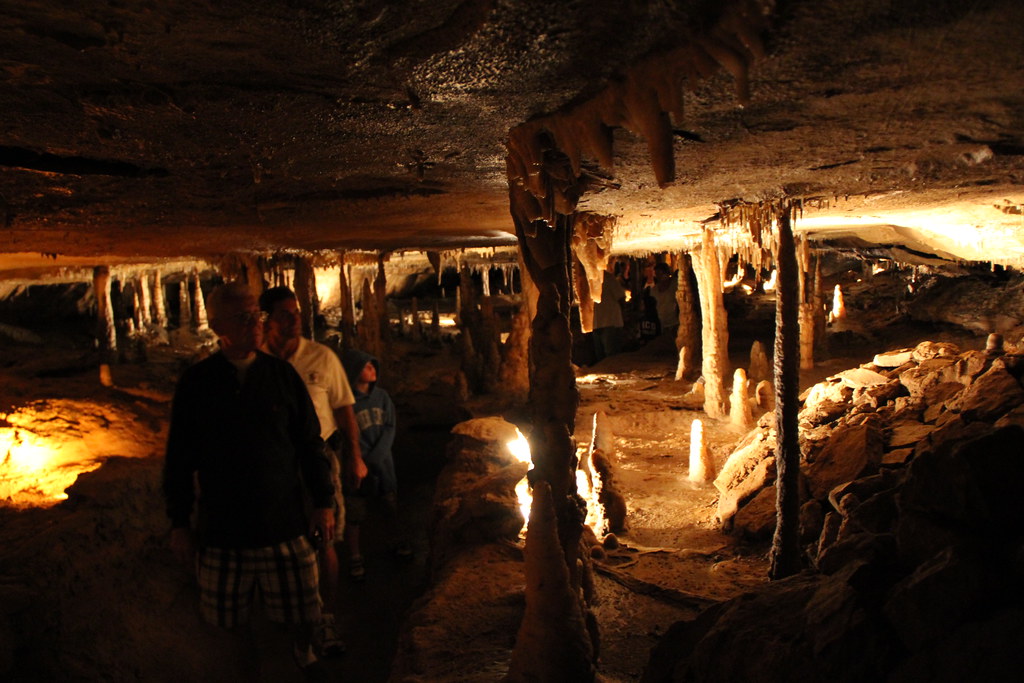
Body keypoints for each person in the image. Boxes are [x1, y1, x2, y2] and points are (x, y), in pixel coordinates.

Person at [162, 281, 334, 677]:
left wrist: (322, 502)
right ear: (216, 324)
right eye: (243, 317)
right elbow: (180, 459)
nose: (255, 323)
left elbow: (310, 445)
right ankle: (245, 669)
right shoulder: (198, 383)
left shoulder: (281, 377)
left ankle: (300, 649)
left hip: (284, 523)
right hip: (223, 530)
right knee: (226, 621)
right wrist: (179, 523)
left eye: (257, 314)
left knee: (306, 610)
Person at [259, 285, 367, 658]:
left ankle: (325, 615)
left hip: (319, 457)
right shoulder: (254, 362)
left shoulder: (321, 358)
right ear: (267, 320)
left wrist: (355, 456)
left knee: (325, 536)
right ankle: (288, 612)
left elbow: (343, 411)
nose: (295, 320)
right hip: (271, 463)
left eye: (298, 313)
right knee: (279, 540)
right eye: (285, 315)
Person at [340, 348, 405, 579]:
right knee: (354, 512)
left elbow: (390, 428)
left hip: (383, 463)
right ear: (354, 371)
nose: (372, 370)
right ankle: (355, 555)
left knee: (389, 503)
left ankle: (395, 540)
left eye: (373, 365)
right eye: (367, 366)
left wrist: (376, 457)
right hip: (358, 465)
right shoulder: (346, 403)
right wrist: (362, 459)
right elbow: (347, 435)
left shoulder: (383, 398)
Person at [592, 261, 627, 361]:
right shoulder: (588, 281)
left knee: (611, 355)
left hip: (610, 322)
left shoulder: (608, 278)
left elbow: (621, 298)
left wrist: (623, 317)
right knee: (600, 355)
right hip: (596, 323)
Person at [649, 261, 679, 337]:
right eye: (657, 275)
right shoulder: (654, 290)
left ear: (666, 273)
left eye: (660, 274)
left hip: (675, 322)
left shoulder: (675, 285)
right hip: (662, 323)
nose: (658, 277)